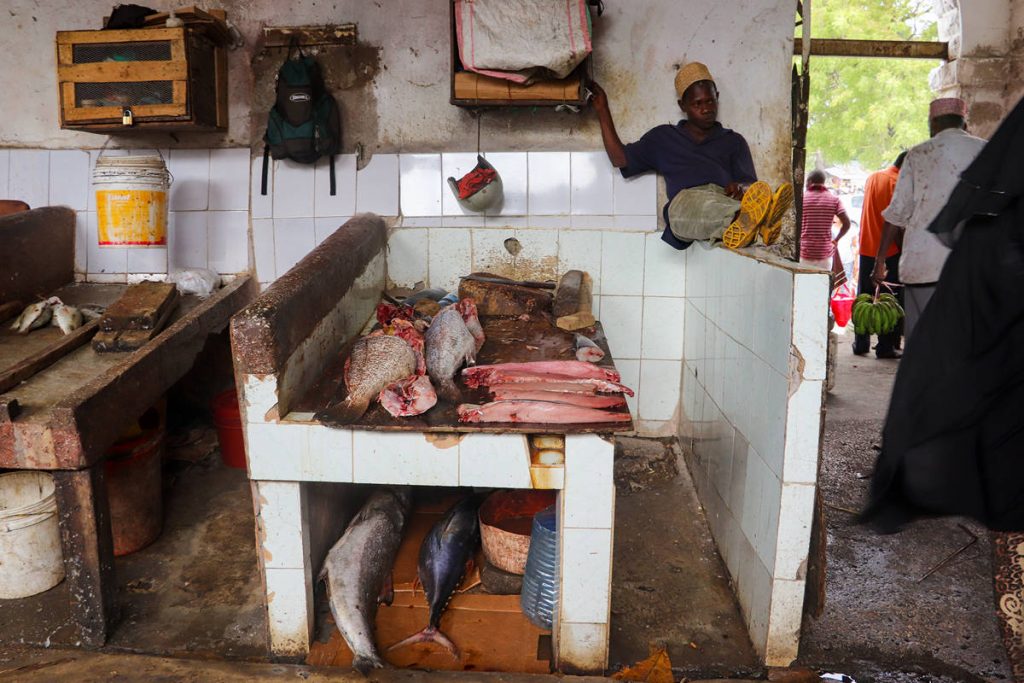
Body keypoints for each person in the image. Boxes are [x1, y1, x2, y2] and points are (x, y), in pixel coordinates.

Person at [589, 62, 792, 252]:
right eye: (698, 103)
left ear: (717, 97)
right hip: (685, 207)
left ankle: (748, 223)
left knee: (726, 205)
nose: (706, 109)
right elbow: (620, 159)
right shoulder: (663, 138)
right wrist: (602, 109)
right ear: (682, 105)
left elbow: (751, 190)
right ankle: (750, 222)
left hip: (723, 200)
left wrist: (739, 189)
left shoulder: (734, 141)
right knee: (695, 206)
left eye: (711, 101)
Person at [871, 97, 986, 339]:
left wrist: (880, 261)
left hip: (924, 265)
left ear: (933, 124)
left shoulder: (918, 154)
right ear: (964, 124)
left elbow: (897, 213)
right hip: (973, 265)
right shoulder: (985, 150)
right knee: (968, 342)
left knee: (922, 343)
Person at [853, 152, 906, 358]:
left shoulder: (873, 177)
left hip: (867, 246)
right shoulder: (897, 183)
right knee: (889, 301)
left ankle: (861, 343)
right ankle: (885, 347)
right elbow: (896, 222)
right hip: (888, 251)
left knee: (865, 298)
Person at [799, 169, 850, 269]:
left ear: (809, 181)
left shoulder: (802, 199)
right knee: (823, 284)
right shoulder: (834, 199)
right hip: (825, 257)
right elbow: (847, 223)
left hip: (805, 255)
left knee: (804, 284)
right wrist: (836, 240)